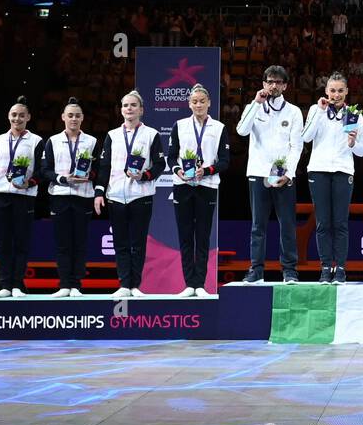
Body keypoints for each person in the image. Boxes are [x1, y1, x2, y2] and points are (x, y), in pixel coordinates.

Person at [93, 90, 166, 297]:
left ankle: (135, 286)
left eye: (133, 105)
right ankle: (124, 284)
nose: (129, 109)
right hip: (115, 196)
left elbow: (160, 164)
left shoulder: (151, 134)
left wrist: (144, 176)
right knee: (121, 243)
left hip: (141, 196)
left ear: (141, 110)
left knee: (138, 243)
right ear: (121, 110)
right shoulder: (112, 136)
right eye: (126, 105)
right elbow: (104, 166)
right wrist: (99, 192)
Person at [236, 65, 304, 283]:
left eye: (277, 82)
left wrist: (290, 174)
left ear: (285, 85)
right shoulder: (253, 107)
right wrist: (256, 104)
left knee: (287, 224)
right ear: (263, 84)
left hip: (283, 176)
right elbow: (241, 131)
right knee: (258, 225)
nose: (273, 85)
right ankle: (256, 270)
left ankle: (290, 270)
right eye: (269, 81)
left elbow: (297, 146)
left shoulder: (293, 111)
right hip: (258, 173)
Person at [303, 72, 363, 284]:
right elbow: (306, 136)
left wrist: (352, 143)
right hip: (318, 170)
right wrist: (320, 112)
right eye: (332, 90)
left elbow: (362, 151)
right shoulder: (315, 109)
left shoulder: (355, 114)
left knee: (340, 223)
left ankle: (339, 269)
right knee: (322, 223)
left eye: (340, 90)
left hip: (343, 170)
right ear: (326, 91)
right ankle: (324, 268)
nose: (336, 94)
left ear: (347, 91)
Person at [167, 84, 230, 297]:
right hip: (182, 185)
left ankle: (200, 285)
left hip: (207, 186)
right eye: (194, 101)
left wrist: (208, 170)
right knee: (185, 236)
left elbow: (225, 161)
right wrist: (178, 171)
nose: (198, 105)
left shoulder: (219, 128)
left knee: (202, 236)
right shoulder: (179, 125)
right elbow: (170, 156)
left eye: (202, 101)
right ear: (189, 104)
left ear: (209, 103)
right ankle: (189, 285)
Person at [0, 97, 45, 297]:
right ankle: (5, 285)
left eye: (21, 115)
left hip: (24, 196)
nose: (17, 118)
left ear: (28, 117)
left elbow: (42, 171)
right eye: (14, 115)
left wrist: (29, 183)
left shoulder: (37, 141)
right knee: (3, 242)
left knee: (21, 241)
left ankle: (17, 284)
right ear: (8, 117)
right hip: (0, 195)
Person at [40, 97, 98, 297]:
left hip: (83, 197)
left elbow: (99, 170)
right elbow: (45, 170)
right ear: (63, 117)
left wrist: (88, 176)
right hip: (60, 196)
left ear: (82, 118)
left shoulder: (92, 141)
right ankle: (64, 284)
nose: (74, 119)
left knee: (80, 242)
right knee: (63, 242)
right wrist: (62, 179)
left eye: (77, 115)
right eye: (70, 115)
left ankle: (76, 285)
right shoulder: (53, 141)